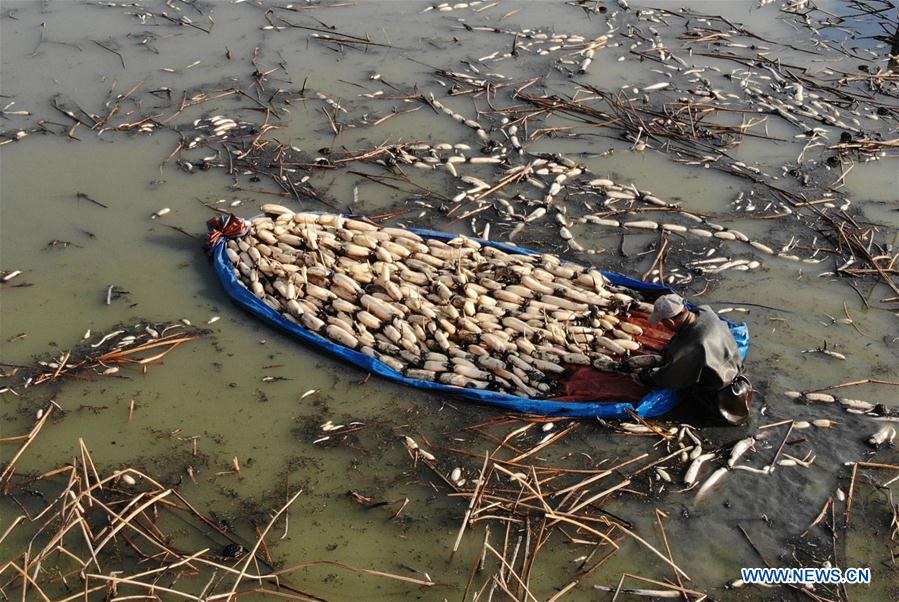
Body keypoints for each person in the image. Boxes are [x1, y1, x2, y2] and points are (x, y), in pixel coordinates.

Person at [637, 293, 752, 425]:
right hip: (741, 379)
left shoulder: (691, 347)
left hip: (725, 400)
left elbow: (669, 379)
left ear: (670, 322)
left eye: (663, 323)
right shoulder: (706, 312)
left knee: (693, 410)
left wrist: (645, 376)